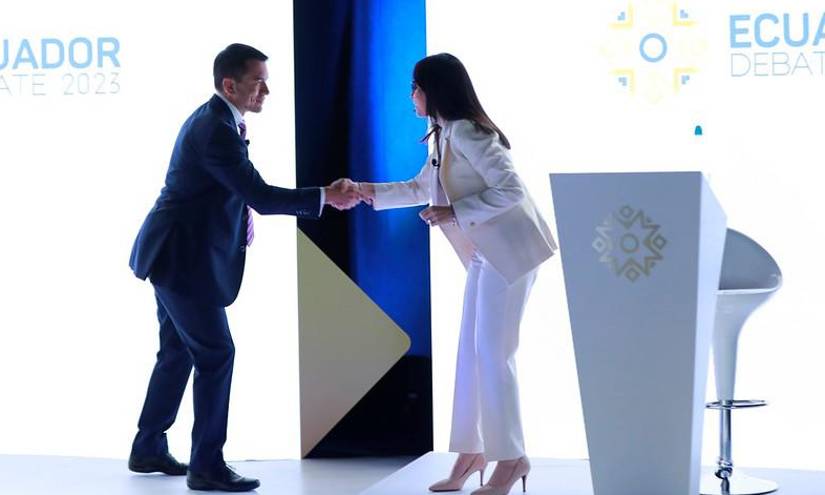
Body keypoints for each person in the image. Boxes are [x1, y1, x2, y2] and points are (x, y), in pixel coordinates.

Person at [127, 43, 359, 492]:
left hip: (177, 254)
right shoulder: (215, 129)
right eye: (258, 81)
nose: (266, 91)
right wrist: (326, 196)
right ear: (229, 84)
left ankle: (148, 446)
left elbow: (230, 192)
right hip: (182, 261)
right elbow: (262, 196)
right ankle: (206, 465)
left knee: (177, 352)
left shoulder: (221, 121)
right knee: (216, 353)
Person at [349, 53, 557, 495]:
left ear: (433, 89)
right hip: (486, 255)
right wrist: (365, 191)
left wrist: (454, 210)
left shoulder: (469, 131)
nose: (411, 96)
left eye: (415, 87)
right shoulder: (442, 136)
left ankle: (512, 458)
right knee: (472, 355)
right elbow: (419, 187)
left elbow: (511, 189)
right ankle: (474, 451)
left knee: (495, 356)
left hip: (511, 254)